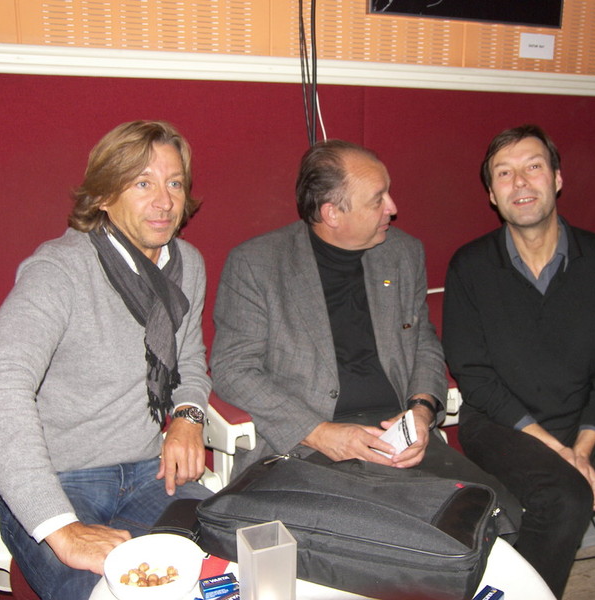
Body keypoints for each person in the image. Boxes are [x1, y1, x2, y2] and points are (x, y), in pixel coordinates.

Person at [0, 120, 212, 600]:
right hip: (61, 482)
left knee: (222, 562)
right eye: (143, 184)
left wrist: (188, 415)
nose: (165, 201)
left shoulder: (187, 264)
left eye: (175, 183)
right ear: (105, 195)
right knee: (105, 591)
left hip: (150, 473)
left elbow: (190, 358)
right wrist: (63, 529)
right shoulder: (59, 270)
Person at [210, 139, 521, 530]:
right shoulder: (258, 264)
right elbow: (232, 368)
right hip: (306, 446)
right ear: (332, 213)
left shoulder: (403, 253)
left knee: (495, 514)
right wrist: (319, 433)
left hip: (394, 436)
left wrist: (422, 411)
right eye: (377, 200)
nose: (393, 207)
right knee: (383, 531)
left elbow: (423, 343)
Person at [442, 124, 595, 600]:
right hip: (501, 424)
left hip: (582, 422)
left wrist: (581, 447)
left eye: (533, 166)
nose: (520, 182)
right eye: (504, 173)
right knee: (565, 498)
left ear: (557, 179)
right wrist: (561, 454)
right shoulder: (469, 267)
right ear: (492, 195)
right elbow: (475, 379)